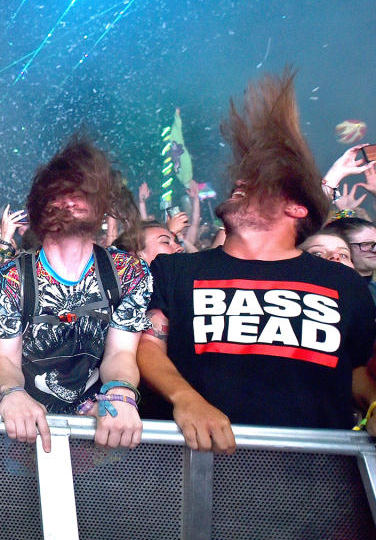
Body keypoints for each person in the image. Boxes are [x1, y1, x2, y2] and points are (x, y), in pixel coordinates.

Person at [136, 71, 376, 454]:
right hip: (194, 469)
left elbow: (356, 369)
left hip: (313, 481)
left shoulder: (342, 283)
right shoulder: (177, 270)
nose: (240, 184)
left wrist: (373, 403)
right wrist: (185, 398)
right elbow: (149, 346)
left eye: (261, 183)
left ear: (296, 208)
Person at [0, 137, 152, 452]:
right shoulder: (10, 280)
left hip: (99, 436)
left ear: (100, 204)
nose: (70, 200)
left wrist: (120, 394)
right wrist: (12, 393)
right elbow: (5, 358)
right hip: (27, 438)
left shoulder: (128, 274)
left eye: (81, 192)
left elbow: (121, 354)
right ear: (40, 206)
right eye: (58, 192)